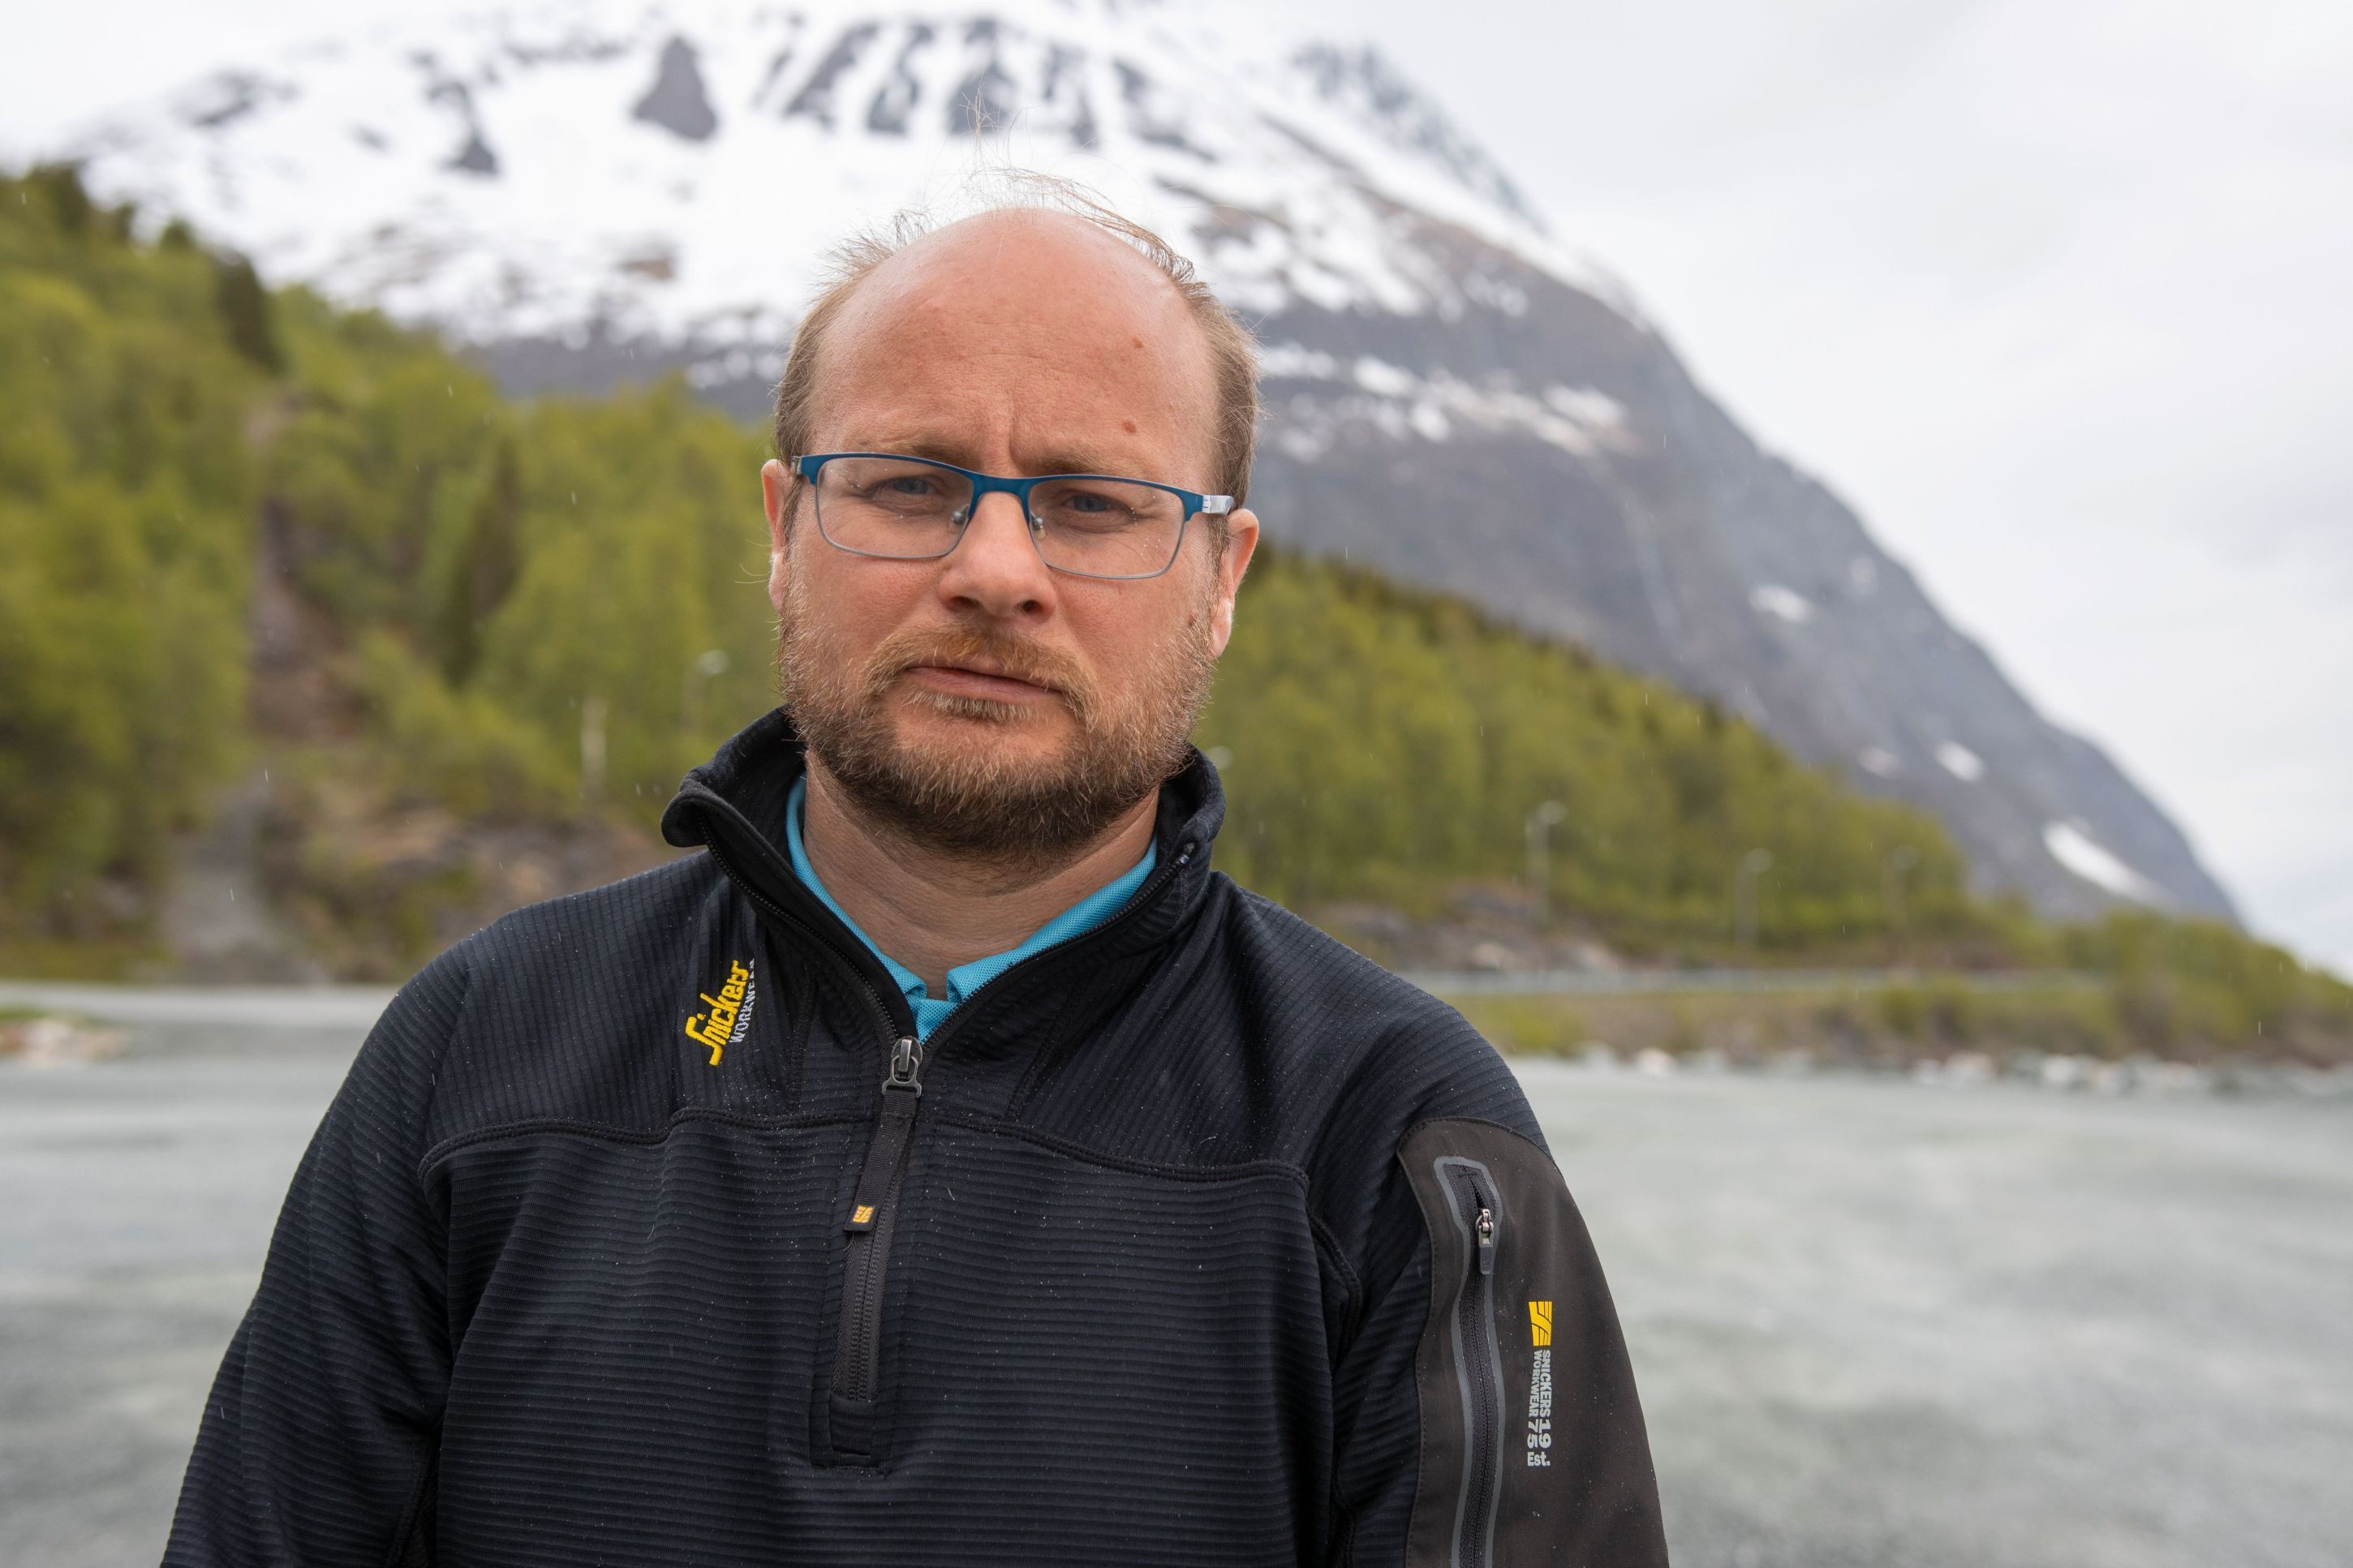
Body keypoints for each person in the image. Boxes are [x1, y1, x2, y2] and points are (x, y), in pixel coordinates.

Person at [164, 178, 1667, 1566]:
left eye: (1094, 504)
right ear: (784, 530)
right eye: (906, 483)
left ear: (1220, 580)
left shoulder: (1405, 1135)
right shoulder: (479, 1050)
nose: (995, 570)